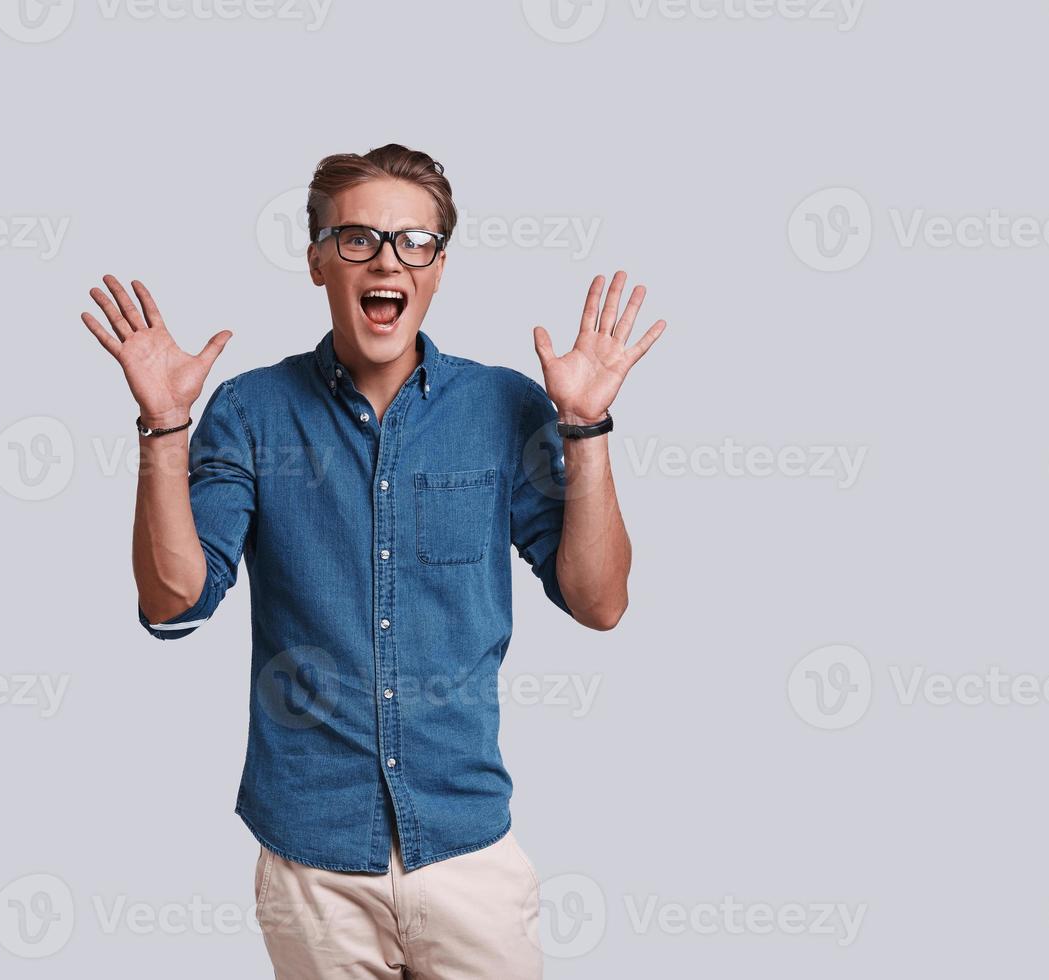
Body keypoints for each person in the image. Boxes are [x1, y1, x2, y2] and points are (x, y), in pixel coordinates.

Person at [79, 143, 666, 979]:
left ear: (437, 265)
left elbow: (599, 601)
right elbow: (174, 598)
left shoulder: (504, 407)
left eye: (412, 242)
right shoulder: (250, 410)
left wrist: (586, 429)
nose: (386, 260)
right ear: (317, 259)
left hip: (467, 854)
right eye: (357, 239)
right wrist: (164, 428)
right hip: (314, 860)